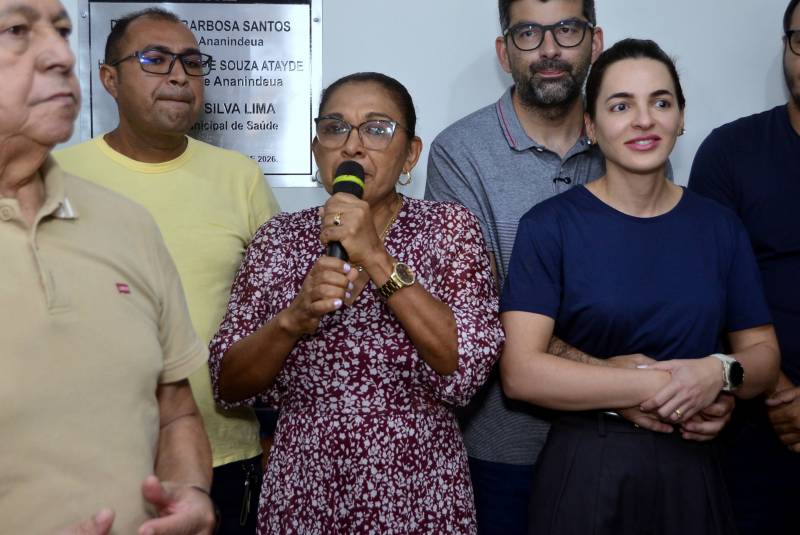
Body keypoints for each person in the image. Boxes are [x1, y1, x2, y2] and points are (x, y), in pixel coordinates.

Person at [425, 1, 732, 531]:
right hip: (508, 446)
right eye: (527, 32)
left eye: (567, 28)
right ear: (504, 50)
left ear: (595, 41)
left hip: (654, 445)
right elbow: (484, 309)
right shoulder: (460, 151)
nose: (549, 48)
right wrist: (628, 384)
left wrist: (711, 381)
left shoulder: (632, 140)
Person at [500, 38, 780, 534]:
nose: (644, 120)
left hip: (694, 467)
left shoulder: (718, 226)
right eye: (621, 105)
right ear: (591, 125)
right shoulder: (550, 226)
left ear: (681, 117)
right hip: (588, 467)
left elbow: (762, 356)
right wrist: (665, 386)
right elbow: (521, 372)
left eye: (661, 101)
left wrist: (718, 373)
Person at [208, 72, 503, 533]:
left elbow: (463, 368)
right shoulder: (277, 240)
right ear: (316, 151)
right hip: (304, 492)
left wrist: (375, 256)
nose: (352, 145)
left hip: (418, 492)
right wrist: (292, 319)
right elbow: (228, 385)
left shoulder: (448, 228)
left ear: (411, 154)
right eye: (335, 127)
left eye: (377, 128)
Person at [54, 8, 279, 533]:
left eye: (192, 62)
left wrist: (274, 431)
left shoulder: (240, 178)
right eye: (154, 59)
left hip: (224, 458)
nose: (180, 75)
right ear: (109, 79)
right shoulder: (59, 176)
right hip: (88, 462)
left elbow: (279, 310)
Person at [0, 1, 215, 533]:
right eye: (16, 31)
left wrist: (189, 494)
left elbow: (176, 411)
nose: (58, 54)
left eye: (62, 30)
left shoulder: (127, 223)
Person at [688, 1, 800, 532]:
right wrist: (781, 395)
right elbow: (711, 287)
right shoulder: (730, 151)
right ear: (785, 46)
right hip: (757, 421)